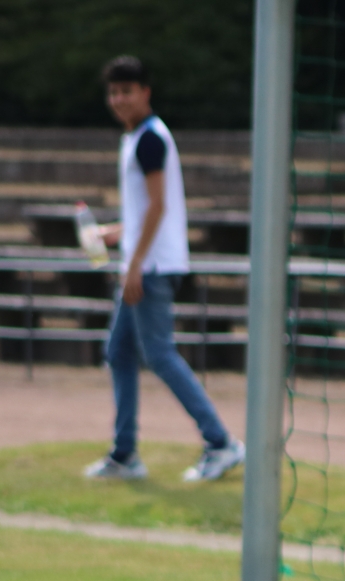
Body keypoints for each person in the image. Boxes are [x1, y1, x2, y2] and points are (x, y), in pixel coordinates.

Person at [83, 56, 244, 484]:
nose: (119, 100)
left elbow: (159, 206)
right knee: (119, 353)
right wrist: (115, 233)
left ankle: (220, 442)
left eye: (127, 91)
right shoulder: (137, 137)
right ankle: (124, 454)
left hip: (150, 266)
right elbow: (146, 212)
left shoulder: (149, 140)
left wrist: (134, 264)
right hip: (145, 260)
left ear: (145, 92)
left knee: (159, 354)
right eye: (113, 92)